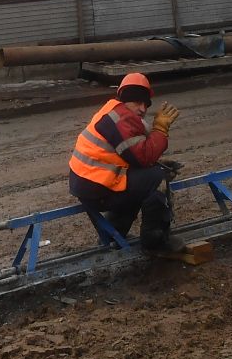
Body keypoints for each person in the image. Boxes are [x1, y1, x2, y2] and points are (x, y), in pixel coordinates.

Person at [67, 71, 185, 252]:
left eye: (146, 104)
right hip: (97, 188)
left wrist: (156, 164)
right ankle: (156, 242)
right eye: (137, 102)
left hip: (88, 183)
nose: (143, 109)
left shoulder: (111, 111)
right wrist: (160, 129)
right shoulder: (122, 118)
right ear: (125, 100)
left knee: (139, 181)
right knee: (157, 180)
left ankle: (113, 233)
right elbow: (143, 157)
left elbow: (131, 157)